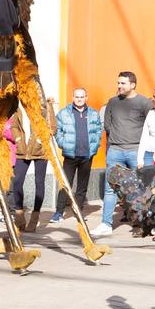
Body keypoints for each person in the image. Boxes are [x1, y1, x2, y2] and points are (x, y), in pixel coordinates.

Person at [94, 71, 152, 237]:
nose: (119, 86)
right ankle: (106, 224)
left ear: (133, 85)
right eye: (118, 83)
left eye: (123, 83)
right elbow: (108, 125)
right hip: (115, 150)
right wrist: (115, 139)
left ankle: (142, 224)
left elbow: (151, 124)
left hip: (136, 151)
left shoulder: (144, 102)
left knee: (140, 189)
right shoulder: (112, 102)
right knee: (110, 188)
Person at [52, 88, 102, 223]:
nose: (79, 99)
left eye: (82, 97)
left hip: (87, 155)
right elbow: (58, 131)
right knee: (65, 184)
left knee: (82, 186)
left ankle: (79, 212)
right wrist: (63, 144)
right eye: (77, 97)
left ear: (86, 97)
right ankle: (58, 213)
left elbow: (98, 131)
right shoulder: (64, 113)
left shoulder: (93, 113)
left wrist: (95, 145)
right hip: (70, 155)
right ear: (73, 97)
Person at [7, 99, 56, 233]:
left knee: (39, 182)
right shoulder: (19, 107)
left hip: (40, 152)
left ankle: (34, 219)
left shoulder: (45, 106)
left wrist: (41, 140)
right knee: (17, 181)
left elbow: (53, 128)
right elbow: (14, 126)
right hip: (23, 151)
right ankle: (19, 217)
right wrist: (17, 139)